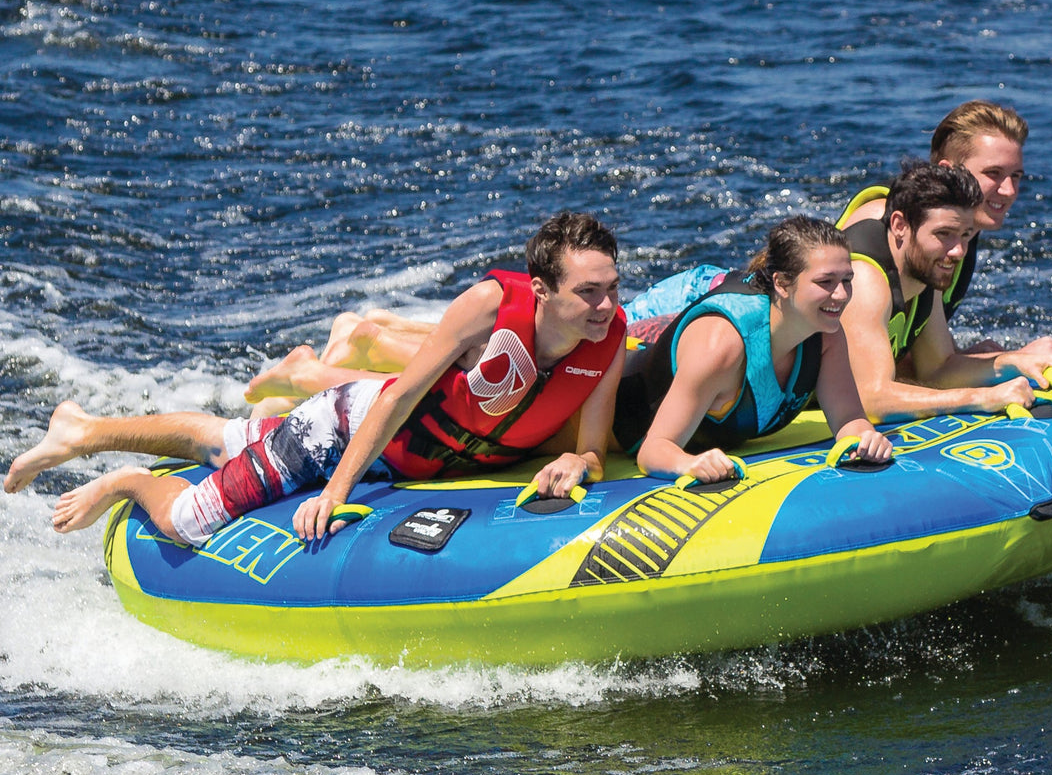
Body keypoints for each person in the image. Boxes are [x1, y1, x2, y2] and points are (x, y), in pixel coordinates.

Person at [5, 212, 627, 544]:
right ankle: (130, 481)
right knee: (188, 522)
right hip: (341, 429)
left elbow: (592, 443)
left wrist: (584, 462)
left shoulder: (608, 339)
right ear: (542, 290)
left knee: (226, 441)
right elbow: (400, 394)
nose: (605, 306)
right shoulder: (490, 307)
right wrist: (335, 491)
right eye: (588, 292)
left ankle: (82, 429)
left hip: (422, 461)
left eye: (613, 288)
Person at [611, 216, 892, 483]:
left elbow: (848, 418)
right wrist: (687, 464)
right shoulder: (722, 346)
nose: (842, 295)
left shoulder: (825, 333)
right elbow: (655, 449)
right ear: (781, 283)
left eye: (847, 280)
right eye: (825, 282)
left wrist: (865, 438)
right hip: (609, 413)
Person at [840, 161, 1052, 422]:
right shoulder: (864, 278)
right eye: (944, 234)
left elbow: (935, 370)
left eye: (965, 235)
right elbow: (872, 400)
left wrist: (1012, 361)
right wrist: (982, 398)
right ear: (900, 225)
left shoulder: (922, 269)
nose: (958, 251)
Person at [836, 99, 1030, 332]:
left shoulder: (960, 233)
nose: (1009, 190)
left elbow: (926, 359)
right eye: (993, 173)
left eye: (1016, 175)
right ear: (948, 171)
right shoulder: (887, 226)